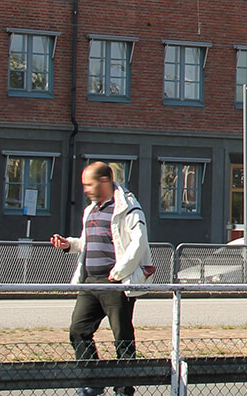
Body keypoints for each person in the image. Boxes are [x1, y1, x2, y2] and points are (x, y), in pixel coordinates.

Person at [50, 161, 153, 396]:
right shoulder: (91, 210)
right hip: (90, 281)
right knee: (78, 330)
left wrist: (118, 274)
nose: (85, 189)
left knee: (122, 337)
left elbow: (138, 244)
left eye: (89, 184)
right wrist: (69, 245)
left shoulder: (129, 209)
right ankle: (93, 383)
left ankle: (123, 389)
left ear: (104, 181)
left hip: (115, 283)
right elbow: (88, 242)